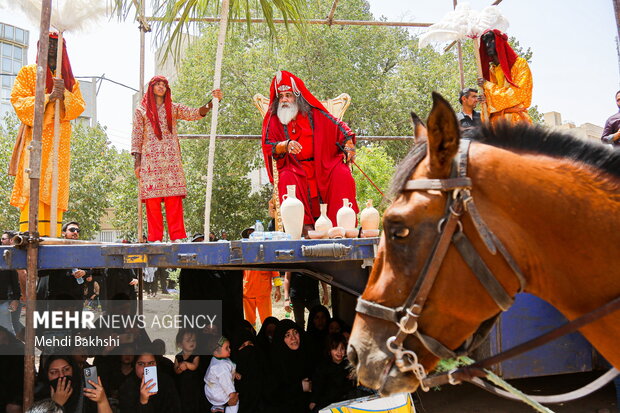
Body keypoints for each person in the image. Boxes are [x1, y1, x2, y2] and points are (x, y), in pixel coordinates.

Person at [261, 71, 358, 232]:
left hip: (323, 165)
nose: (284, 99)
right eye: (282, 96)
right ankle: (302, 228)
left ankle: (340, 227)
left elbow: (342, 129)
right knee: (287, 178)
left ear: (297, 97)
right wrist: (285, 145)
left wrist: (349, 146)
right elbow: (268, 145)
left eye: (289, 95)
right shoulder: (274, 120)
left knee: (342, 173)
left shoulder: (314, 114)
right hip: (294, 167)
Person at [9, 33, 85, 236]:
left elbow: (78, 107)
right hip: (37, 137)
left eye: (56, 44)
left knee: (55, 186)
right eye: (48, 43)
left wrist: (64, 94)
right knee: (33, 180)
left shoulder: (69, 81)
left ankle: (52, 234)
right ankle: (31, 233)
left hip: (59, 140)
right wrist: (49, 97)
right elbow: (18, 101)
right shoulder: (28, 73)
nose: (52, 47)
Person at [132, 75, 222, 242]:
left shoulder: (172, 108)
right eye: (157, 84)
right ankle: (155, 238)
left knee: (174, 200)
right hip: (150, 161)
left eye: (163, 85)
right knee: (152, 201)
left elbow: (194, 113)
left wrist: (212, 102)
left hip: (171, 159)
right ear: (151, 88)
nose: (161, 87)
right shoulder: (141, 111)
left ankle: (177, 236)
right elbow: (137, 135)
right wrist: (137, 162)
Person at [476, 29, 533, 125]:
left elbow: (518, 94)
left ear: (499, 43)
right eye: (485, 42)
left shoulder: (520, 64)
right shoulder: (490, 71)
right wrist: (485, 100)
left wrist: (487, 85)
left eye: (491, 41)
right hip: (495, 125)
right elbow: (488, 105)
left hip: (516, 122)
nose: (487, 45)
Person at [35, 355, 113, 413]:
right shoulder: (40, 398)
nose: (61, 375)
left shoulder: (87, 390)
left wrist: (102, 400)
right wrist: (56, 404)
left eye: (66, 369)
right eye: (54, 372)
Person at [266, 319, 313, 413]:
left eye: (295, 332)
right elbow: (273, 396)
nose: (293, 338)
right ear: (281, 339)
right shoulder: (274, 363)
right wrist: (300, 387)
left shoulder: (308, 355)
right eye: (287, 335)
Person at [309, 333, 355, 412]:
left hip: (346, 403)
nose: (339, 352)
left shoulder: (349, 365)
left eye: (342, 348)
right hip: (327, 403)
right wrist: (314, 401)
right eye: (335, 348)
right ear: (329, 350)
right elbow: (318, 386)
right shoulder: (323, 367)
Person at [204, 337, 240, 413]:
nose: (230, 349)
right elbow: (226, 384)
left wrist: (234, 372)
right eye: (227, 348)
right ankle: (227, 410)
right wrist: (232, 394)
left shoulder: (217, 358)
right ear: (216, 352)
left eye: (229, 347)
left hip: (211, 389)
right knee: (235, 403)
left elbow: (228, 367)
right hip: (218, 394)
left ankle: (217, 407)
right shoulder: (222, 367)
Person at [174, 329, 203, 413]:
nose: (192, 342)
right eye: (188, 340)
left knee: (194, 405)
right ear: (180, 344)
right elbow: (175, 370)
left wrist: (186, 364)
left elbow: (194, 366)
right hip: (182, 386)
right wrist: (179, 369)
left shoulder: (196, 355)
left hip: (194, 386)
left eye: (193, 340)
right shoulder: (178, 357)